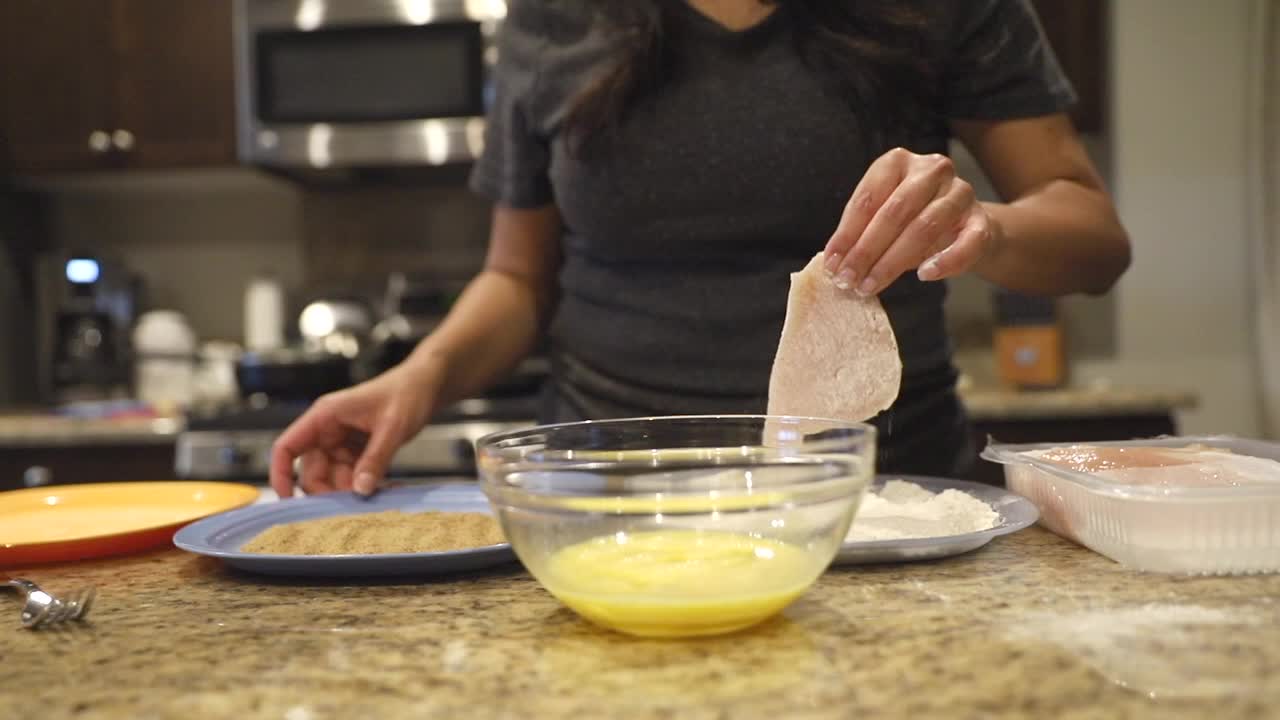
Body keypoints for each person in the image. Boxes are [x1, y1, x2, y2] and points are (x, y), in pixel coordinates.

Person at [269, 0, 1130, 498]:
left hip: (875, 497)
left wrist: (984, 225)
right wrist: (416, 378)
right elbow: (517, 281)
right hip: (605, 500)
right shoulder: (552, 16)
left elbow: (1093, 238)